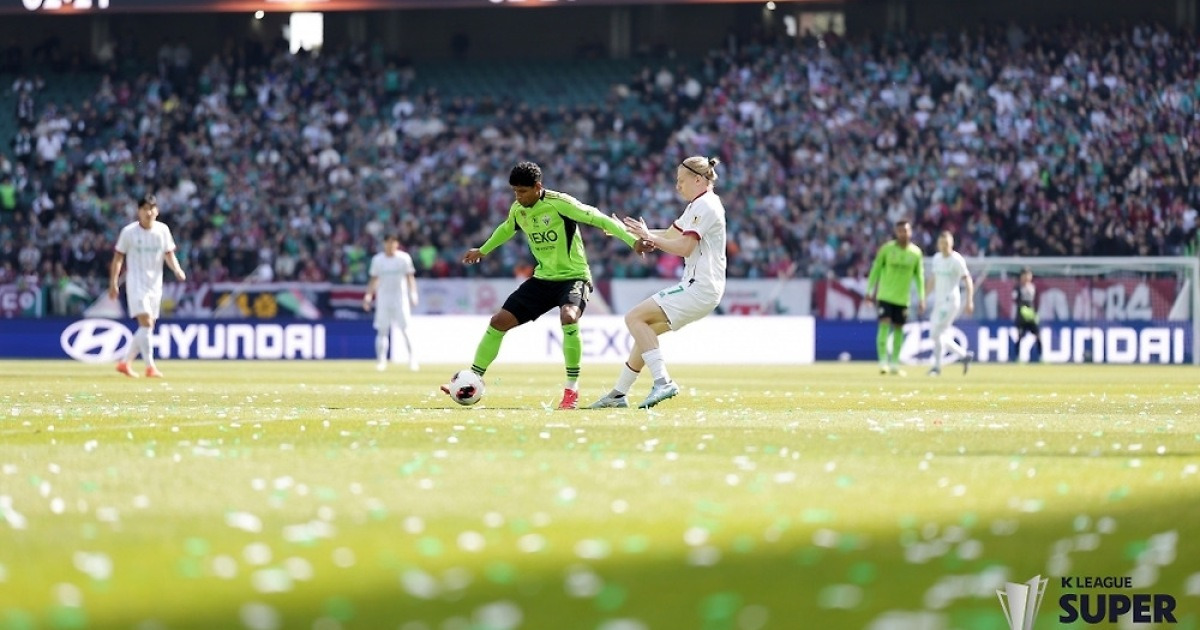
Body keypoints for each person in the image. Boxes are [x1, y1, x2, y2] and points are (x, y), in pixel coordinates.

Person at [448, 161, 652, 409]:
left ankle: (571, 389)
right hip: (543, 279)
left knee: (569, 316)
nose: (518, 197)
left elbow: (598, 218)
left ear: (538, 187)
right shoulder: (518, 210)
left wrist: (633, 242)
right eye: (514, 192)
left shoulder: (560, 204)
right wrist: (482, 250)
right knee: (498, 321)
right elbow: (506, 229)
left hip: (574, 277)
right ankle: (473, 377)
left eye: (522, 191)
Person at [589, 155, 727, 409]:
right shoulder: (698, 206)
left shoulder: (706, 206)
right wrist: (627, 231)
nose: (677, 186)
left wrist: (649, 237)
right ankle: (618, 394)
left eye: (680, 181)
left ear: (698, 179)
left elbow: (684, 247)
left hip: (699, 286)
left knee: (633, 318)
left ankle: (663, 381)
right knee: (645, 331)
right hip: (703, 288)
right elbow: (669, 234)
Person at [108, 194, 186, 378]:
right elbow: (118, 258)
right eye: (144, 209)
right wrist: (113, 282)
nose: (148, 212)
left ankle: (125, 363)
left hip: (155, 285)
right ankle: (150, 367)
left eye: (152, 208)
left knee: (147, 328)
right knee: (147, 323)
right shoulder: (129, 232)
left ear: (157, 211)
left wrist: (177, 269)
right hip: (136, 283)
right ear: (138, 211)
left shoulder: (163, 230)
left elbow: (169, 254)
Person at [864, 219, 925, 375]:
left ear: (910, 232)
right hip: (885, 295)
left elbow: (919, 277)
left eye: (906, 230)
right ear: (896, 232)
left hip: (903, 299)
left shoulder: (916, 253)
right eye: (900, 231)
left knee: (899, 328)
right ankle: (883, 361)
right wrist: (869, 290)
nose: (903, 233)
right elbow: (875, 270)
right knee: (884, 325)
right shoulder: (886, 249)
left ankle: (895, 363)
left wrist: (922, 297)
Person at [363, 234, 419, 371]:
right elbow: (374, 279)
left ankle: (412, 359)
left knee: (406, 330)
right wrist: (368, 295)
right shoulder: (378, 260)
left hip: (400, 299)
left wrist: (413, 294)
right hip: (383, 299)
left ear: (397, 243)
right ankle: (381, 361)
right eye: (388, 242)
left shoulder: (404, 258)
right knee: (382, 331)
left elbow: (410, 277)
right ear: (384, 243)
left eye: (393, 242)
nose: (390, 245)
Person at [926, 231, 975, 376]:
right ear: (938, 244)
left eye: (946, 243)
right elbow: (932, 280)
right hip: (939, 301)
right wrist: (924, 297)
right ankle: (963, 355)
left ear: (951, 244)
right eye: (941, 243)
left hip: (951, 301)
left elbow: (968, 280)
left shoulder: (956, 260)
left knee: (935, 333)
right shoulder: (936, 259)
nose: (944, 246)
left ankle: (936, 367)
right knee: (938, 334)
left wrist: (970, 301)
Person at [1012, 267, 1043, 362]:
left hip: (1031, 316)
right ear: (1021, 276)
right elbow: (1015, 300)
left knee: (1038, 336)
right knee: (1020, 336)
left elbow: (1036, 301)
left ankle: (1040, 357)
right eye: (1025, 275)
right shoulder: (1017, 288)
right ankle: (1017, 357)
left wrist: (1035, 313)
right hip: (1021, 316)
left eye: (1029, 275)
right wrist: (1023, 309)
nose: (1027, 277)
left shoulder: (1033, 287)